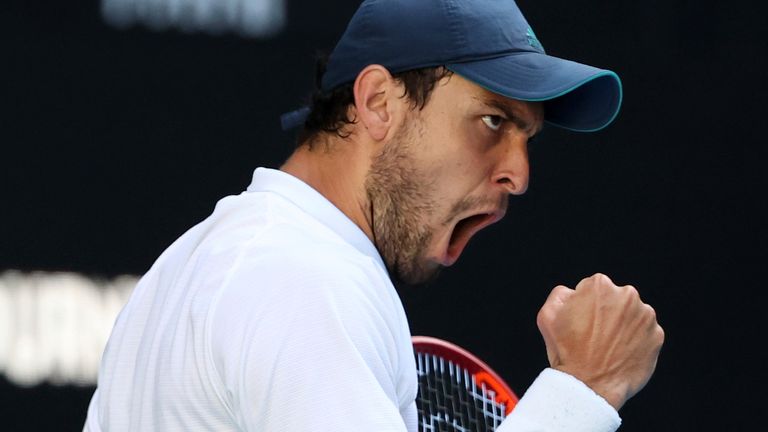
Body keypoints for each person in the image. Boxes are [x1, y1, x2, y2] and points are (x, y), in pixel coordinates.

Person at [84, 0, 664, 431]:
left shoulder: (186, 267)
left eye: (528, 138)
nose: (519, 172)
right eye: (492, 120)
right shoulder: (303, 281)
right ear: (379, 103)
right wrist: (582, 390)